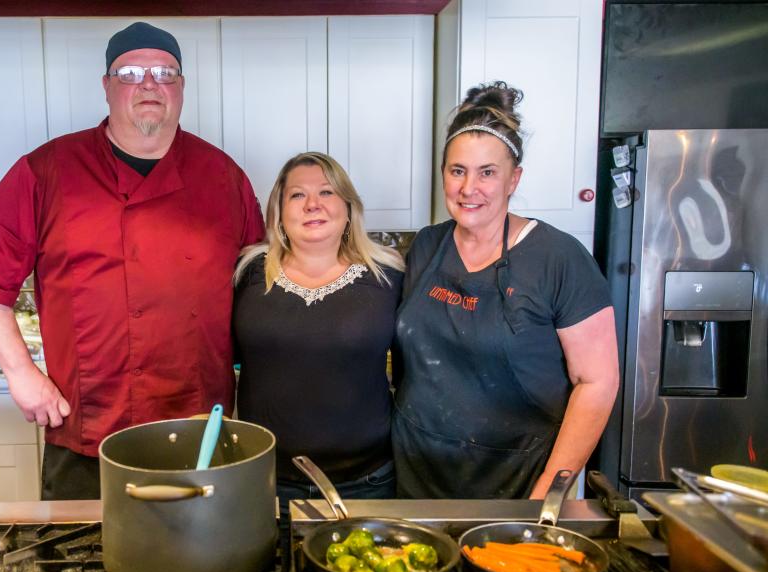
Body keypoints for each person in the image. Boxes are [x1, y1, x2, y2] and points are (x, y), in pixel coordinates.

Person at [0, 22, 264, 499]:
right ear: (107, 87)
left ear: (182, 89)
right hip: (88, 428)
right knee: (74, 566)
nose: (150, 83)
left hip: (200, 429)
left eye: (165, 72)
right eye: (131, 72)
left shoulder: (223, 176)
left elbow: (258, 286)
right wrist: (21, 373)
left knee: (202, 562)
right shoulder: (48, 170)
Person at [392, 82, 619, 500]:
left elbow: (598, 382)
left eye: (487, 173)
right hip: (416, 473)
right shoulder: (427, 245)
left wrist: (548, 495)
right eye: (457, 170)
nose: (468, 188)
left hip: (516, 481)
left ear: (514, 178)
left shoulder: (559, 258)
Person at [233, 152, 404, 516]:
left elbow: (414, 372)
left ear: (348, 208)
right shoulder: (247, 272)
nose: (313, 205)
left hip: (367, 482)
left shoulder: (389, 276)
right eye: (297, 195)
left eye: (326, 192)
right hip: (263, 479)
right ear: (279, 211)